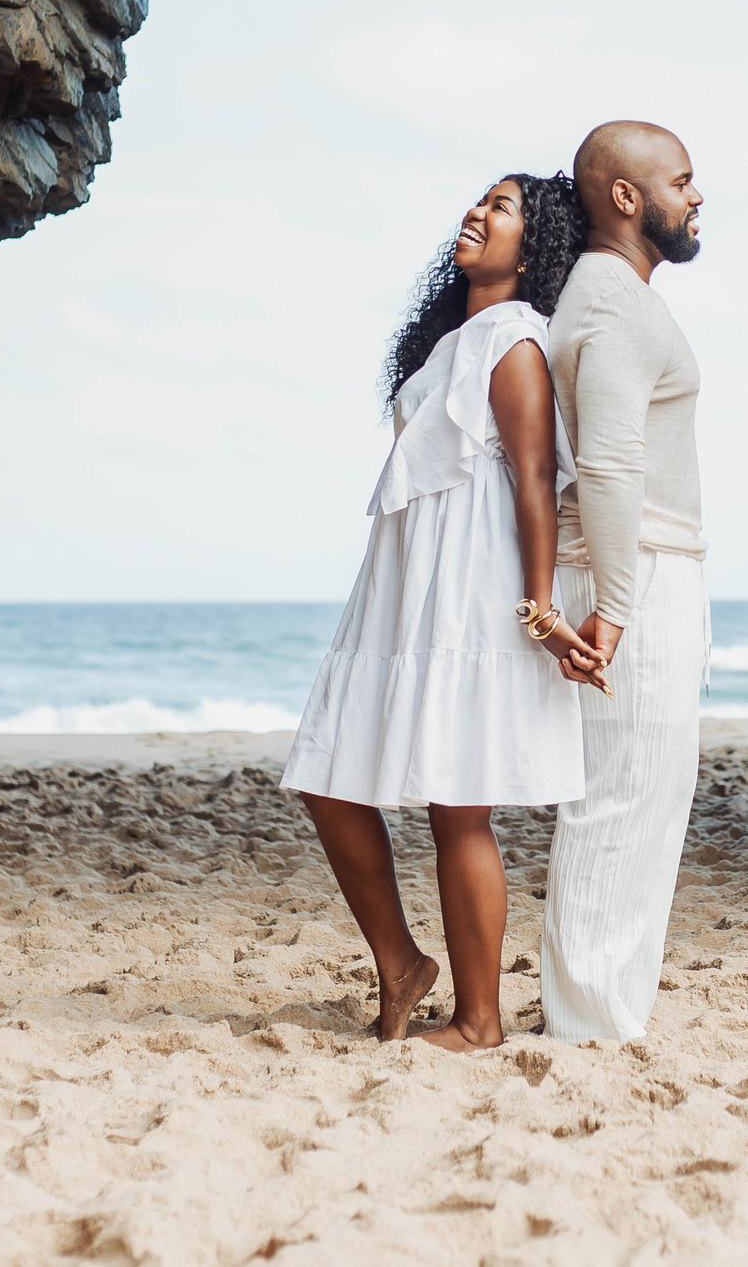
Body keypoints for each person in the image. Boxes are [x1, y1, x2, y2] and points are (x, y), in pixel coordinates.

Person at [282, 173, 606, 1050]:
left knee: (456, 805)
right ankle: (401, 961)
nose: (477, 213)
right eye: (478, 201)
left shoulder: (517, 342)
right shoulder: (450, 344)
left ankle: (480, 1020)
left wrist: (540, 608)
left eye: (501, 207)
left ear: (534, 242)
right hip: (401, 582)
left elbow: (536, 480)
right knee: (326, 773)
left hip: (467, 586)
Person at [539, 121, 709, 1042]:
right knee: (623, 793)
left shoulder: (612, 296)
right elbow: (606, 460)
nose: (697, 197)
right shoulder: (609, 302)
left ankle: (605, 1009)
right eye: (682, 181)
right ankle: (589, 1021)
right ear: (626, 198)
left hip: (638, 560)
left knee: (644, 793)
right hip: (631, 563)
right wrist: (612, 607)